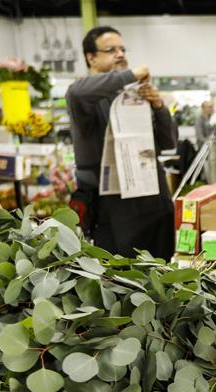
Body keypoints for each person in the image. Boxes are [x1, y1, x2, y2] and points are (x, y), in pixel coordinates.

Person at [66, 26, 177, 260]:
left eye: (123, 49)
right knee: (120, 277)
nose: (120, 54)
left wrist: (158, 106)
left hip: (152, 202)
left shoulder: (132, 96)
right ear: (91, 57)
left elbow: (167, 143)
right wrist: (130, 75)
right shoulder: (84, 98)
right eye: (111, 50)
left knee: (161, 274)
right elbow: (76, 92)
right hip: (113, 210)